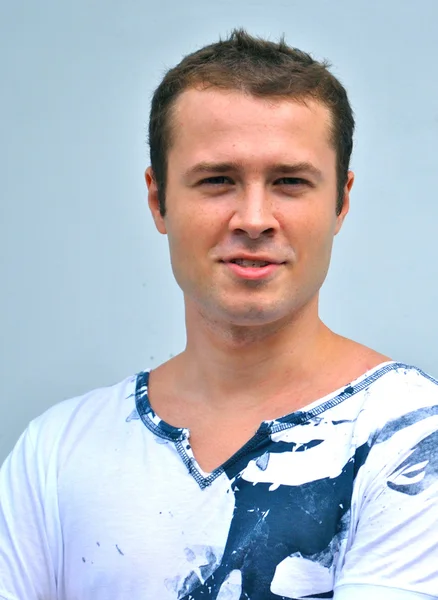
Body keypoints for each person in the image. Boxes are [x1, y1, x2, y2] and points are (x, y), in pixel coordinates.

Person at [0, 28, 437, 600]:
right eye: (217, 180)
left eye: (289, 182)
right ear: (158, 200)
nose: (254, 218)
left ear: (341, 201)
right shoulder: (55, 452)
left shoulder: (411, 437)